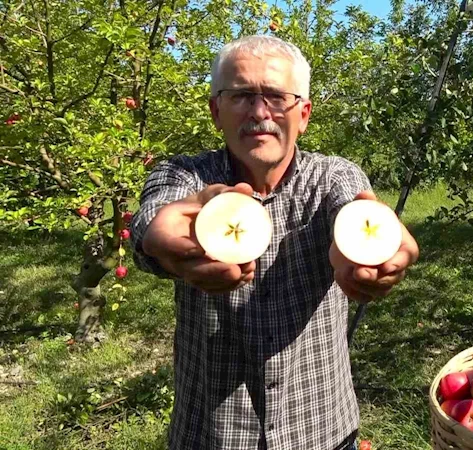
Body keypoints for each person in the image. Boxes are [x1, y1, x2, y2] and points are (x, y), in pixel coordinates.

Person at [130, 35, 419, 450]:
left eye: (277, 97)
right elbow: (155, 213)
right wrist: (159, 240)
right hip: (212, 436)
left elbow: (354, 211)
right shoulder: (186, 176)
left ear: (303, 114)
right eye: (242, 95)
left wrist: (360, 256)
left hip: (322, 429)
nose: (260, 112)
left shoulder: (334, 178)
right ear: (216, 110)